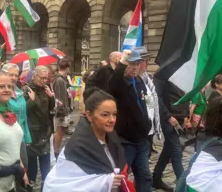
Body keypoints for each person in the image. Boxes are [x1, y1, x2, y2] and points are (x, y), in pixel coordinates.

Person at [44, 87, 131, 191]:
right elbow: (63, 185)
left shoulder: (113, 137)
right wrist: (105, 182)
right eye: (105, 115)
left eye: (114, 114)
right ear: (89, 115)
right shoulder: (77, 148)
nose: (112, 120)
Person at [108, 49, 152, 192]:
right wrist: (122, 62)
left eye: (137, 63)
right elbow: (112, 83)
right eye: (131, 64)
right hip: (126, 142)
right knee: (122, 178)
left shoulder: (139, 81)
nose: (135, 67)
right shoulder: (119, 84)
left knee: (145, 176)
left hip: (142, 140)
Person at [22, 66, 55, 190]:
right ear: (34, 76)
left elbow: (50, 110)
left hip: (45, 130)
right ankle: (30, 185)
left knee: (45, 161)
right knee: (31, 165)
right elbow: (23, 111)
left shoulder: (46, 88)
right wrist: (31, 101)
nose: (44, 81)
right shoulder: (26, 89)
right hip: (32, 131)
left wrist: (51, 97)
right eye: (42, 78)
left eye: (46, 78)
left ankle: (45, 186)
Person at [2, 63, 32, 168]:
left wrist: (27, 137)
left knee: (24, 165)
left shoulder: (20, 93)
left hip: (21, 137)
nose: (14, 78)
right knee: (14, 167)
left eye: (16, 75)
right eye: (11, 75)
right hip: (7, 137)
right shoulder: (2, 94)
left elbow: (24, 117)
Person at [52, 59, 72, 158]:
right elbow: (59, 97)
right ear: (67, 68)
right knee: (60, 132)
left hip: (64, 109)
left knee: (60, 132)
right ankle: (56, 151)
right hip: (61, 111)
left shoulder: (62, 79)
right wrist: (62, 113)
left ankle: (56, 149)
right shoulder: (59, 80)